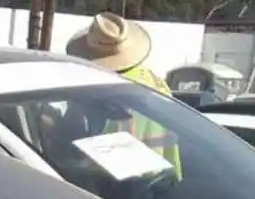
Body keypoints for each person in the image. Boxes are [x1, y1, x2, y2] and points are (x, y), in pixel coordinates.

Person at [65, 13, 181, 177]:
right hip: (164, 182)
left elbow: (79, 156)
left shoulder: (97, 93)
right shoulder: (156, 83)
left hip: (116, 190)